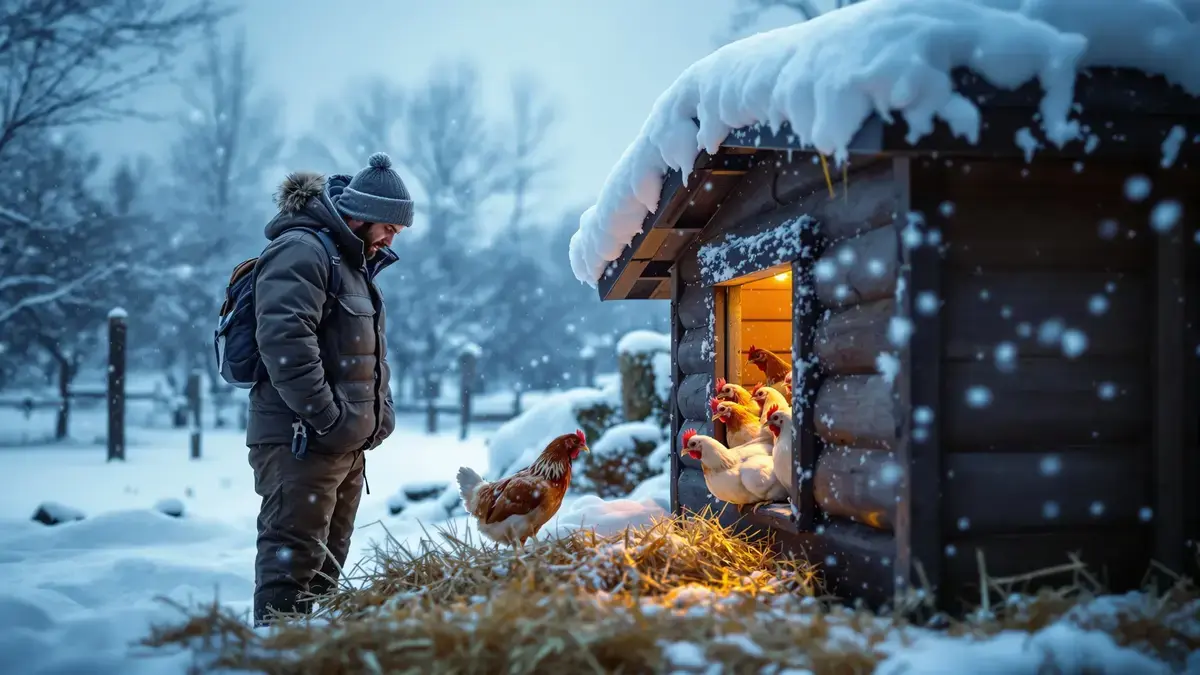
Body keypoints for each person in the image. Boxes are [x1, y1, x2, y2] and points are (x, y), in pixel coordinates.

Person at [247, 152, 410, 625]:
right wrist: (329, 418)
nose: (391, 237)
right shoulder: (302, 250)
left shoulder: (353, 260)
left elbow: (365, 352)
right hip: (300, 439)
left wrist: (378, 417)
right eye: (388, 227)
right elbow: (285, 341)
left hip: (341, 445)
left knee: (325, 572)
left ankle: (313, 656)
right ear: (360, 214)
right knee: (290, 564)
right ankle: (276, 656)